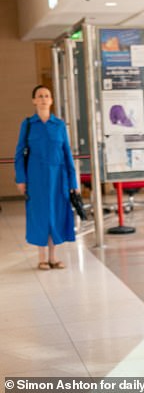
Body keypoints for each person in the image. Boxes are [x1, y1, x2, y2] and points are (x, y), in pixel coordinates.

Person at [14, 85, 79, 271]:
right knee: (40, 215)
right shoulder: (27, 125)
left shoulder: (59, 125)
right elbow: (19, 153)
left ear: (51, 100)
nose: (43, 99)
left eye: (47, 96)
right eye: (40, 96)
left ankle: (53, 257)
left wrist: (73, 182)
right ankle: (41, 257)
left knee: (57, 214)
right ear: (34, 100)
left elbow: (67, 154)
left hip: (59, 178)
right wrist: (21, 178)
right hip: (36, 177)